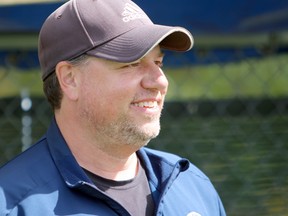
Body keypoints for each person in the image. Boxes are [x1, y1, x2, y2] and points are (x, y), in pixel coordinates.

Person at [0, 0, 226, 215]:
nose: (160, 81)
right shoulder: (12, 204)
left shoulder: (192, 187)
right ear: (70, 79)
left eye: (158, 63)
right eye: (132, 62)